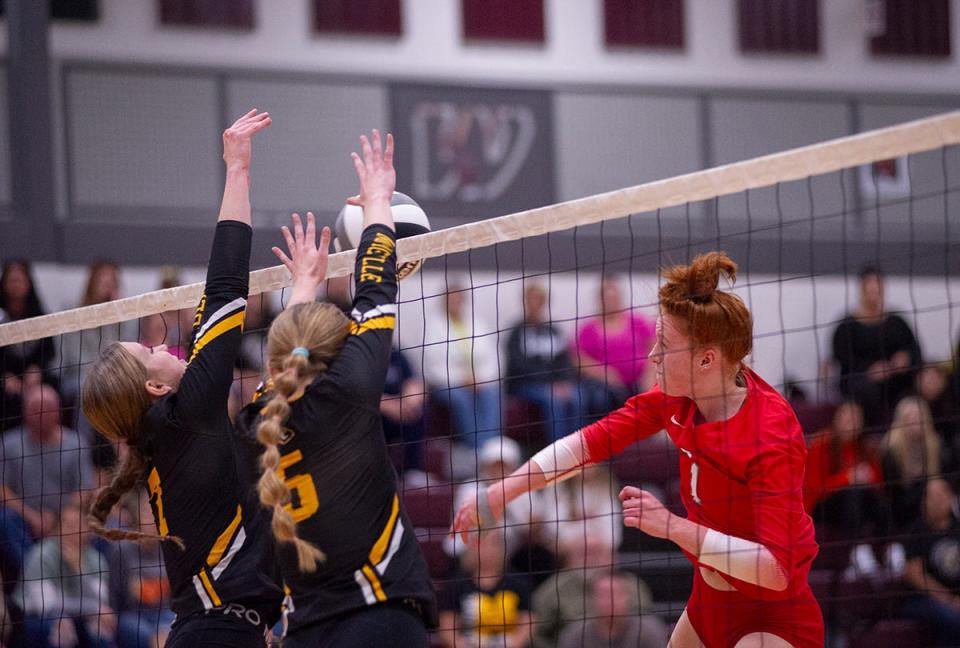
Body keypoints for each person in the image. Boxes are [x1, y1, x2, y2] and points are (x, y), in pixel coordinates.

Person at [454, 252, 824, 648]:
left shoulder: (770, 435)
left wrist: (671, 526)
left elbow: (775, 570)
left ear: (706, 358)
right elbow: (588, 443)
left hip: (770, 612)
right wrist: (501, 492)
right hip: (709, 601)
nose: (651, 357)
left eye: (664, 346)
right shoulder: (676, 398)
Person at [80, 109, 284, 647]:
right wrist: (237, 169)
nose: (163, 347)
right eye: (151, 350)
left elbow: (262, 412)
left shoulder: (168, 437)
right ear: (155, 388)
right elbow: (224, 289)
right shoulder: (184, 415)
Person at [237, 130, 436, 647]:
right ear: (338, 348)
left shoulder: (257, 419)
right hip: (379, 618)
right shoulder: (347, 392)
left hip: (305, 631)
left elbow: (371, 291)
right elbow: (377, 284)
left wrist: (304, 285)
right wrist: (377, 200)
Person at [0, 385, 94, 586]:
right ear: (25, 412)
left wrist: (59, 520)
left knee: (103, 527)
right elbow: (2, 490)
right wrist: (33, 517)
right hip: (23, 520)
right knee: (4, 519)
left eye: (48, 410)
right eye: (36, 410)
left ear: (58, 412)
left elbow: (84, 491)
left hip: (64, 519)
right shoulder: (9, 443)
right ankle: (35, 575)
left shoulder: (75, 443)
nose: (42, 415)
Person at [13, 491, 115, 648]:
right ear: (58, 529)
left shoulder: (95, 559)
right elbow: (46, 605)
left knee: (102, 628)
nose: (70, 531)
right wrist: (94, 609)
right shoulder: (42, 555)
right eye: (66, 525)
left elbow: (101, 601)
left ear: (87, 529)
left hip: (77, 617)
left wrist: (79, 570)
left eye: (76, 526)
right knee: (61, 627)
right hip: (33, 619)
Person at [803, 401, 889, 578]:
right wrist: (848, 478)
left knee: (877, 499)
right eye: (847, 416)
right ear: (837, 419)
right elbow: (814, 489)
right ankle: (859, 551)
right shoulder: (821, 444)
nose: (852, 421)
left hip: (856, 503)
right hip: (821, 506)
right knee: (853, 493)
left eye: (856, 418)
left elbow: (879, 486)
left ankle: (891, 551)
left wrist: (866, 478)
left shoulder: (865, 448)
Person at [832, 265, 922, 431]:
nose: (874, 293)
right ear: (861, 290)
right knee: (866, 388)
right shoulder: (846, 327)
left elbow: (916, 352)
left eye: (878, 288)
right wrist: (870, 371)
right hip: (861, 385)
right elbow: (843, 361)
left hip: (896, 383)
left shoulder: (897, 322)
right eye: (869, 288)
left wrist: (905, 358)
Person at [422, 283, 502, 450]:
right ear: (444, 301)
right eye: (451, 299)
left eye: (458, 299)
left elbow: (493, 358)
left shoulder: (477, 323)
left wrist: (480, 379)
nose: (455, 303)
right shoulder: (433, 326)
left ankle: (491, 449)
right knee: (461, 399)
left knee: (492, 395)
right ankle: (478, 451)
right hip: (446, 384)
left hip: (480, 381)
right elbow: (432, 367)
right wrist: (461, 379)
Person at [505, 282, 582, 442]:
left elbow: (565, 361)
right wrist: (549, 384)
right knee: (553, 400)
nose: (534, 303)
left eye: (538, 299)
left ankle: (578, 449)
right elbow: (517, 366)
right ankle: (558, 453)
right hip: (525, 385)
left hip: (554, 385)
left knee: (576, 396)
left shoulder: (553, 331)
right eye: (531, 299)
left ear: (544, 302)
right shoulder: (516, 332)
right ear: (525, 301)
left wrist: (563, 382)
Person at [575, 275, 656, 419]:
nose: (611, 302)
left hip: (640, 381)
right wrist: (603, 373)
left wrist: (650, 375)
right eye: (607, 298)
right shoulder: (588, 329)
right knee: (600, 398)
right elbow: (578, 359)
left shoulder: (637, 321)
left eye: (614, 298)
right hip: (607, 385)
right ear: (600, 300)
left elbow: (655, 348)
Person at [438, 526, 533, 648]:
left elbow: (528, 623)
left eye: (493, 543)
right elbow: (447, 628)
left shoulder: (518, 582)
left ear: (502, 547)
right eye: (482, 544)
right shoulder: (457, 583)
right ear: (471, 548)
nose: (488, 550)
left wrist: (513, 644)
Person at [901, 478, 960, 646]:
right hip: (921, 600)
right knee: (951, 619)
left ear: (950, 498)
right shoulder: (917, 531)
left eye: (941, 495)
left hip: (955, 599)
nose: (937, 502)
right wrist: (949, 600)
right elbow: (914, 574)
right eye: (931, 497)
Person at [0, 260, 56, 431]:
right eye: (12, 280)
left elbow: (49, 351)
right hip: (5, 377)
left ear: (28, 283)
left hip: (34, 376)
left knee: (52, 386)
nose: (16, 285)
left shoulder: (39, 314)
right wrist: (4, 376)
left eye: (20, 280)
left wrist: (37, 369)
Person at [556, 570, 668, 648]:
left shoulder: (648, 631)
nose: (609, 600)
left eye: (614, 594)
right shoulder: (575, 634)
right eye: (602, 594)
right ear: (592, 599)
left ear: (627, 597)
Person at [880, 395, 946, 529]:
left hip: (929, 501)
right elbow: (892, 491)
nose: (915, 420)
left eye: (919, 416)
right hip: (900, 504)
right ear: (901, 420)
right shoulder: (891, 448)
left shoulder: (934, 443)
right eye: (910, 416)